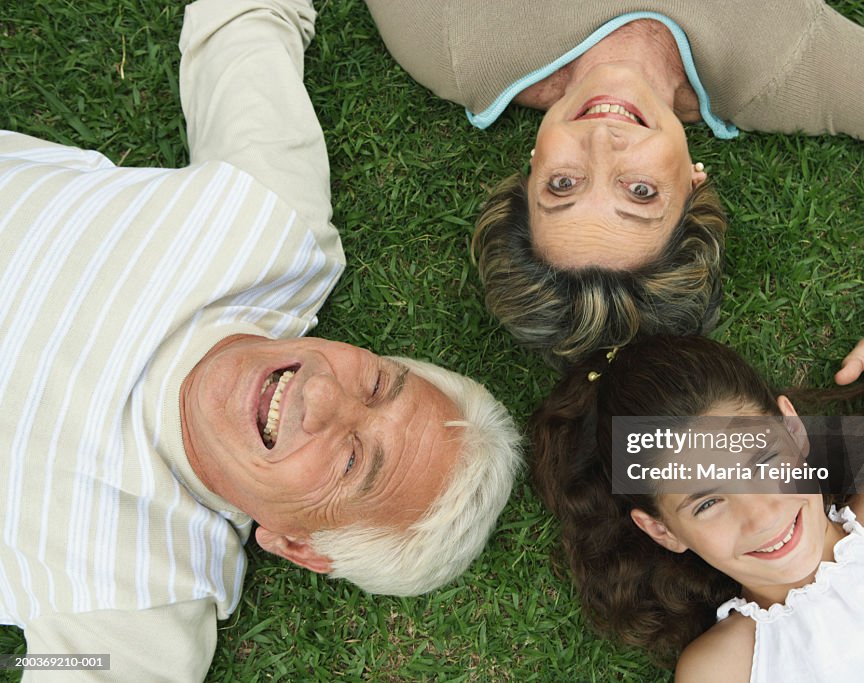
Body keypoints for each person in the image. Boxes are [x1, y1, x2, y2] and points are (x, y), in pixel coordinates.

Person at [0, 1, 520, 679]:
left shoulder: (136, 604)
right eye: (376, 382)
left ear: (298, 545)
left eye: (352, 462)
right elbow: (244, 17)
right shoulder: (271, 227)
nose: (323, 393)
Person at [364, 0, 864, 401]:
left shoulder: (450, 36)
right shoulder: (779, 69)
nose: (604, 143)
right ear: (695, 182)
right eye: (640, 192)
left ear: (528, 168)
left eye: (563, 185)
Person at [530, 300, 864, 682]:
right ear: (661, 530)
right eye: (707, 501)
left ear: (793, 431)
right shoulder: (728, 668)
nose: (762, 514)